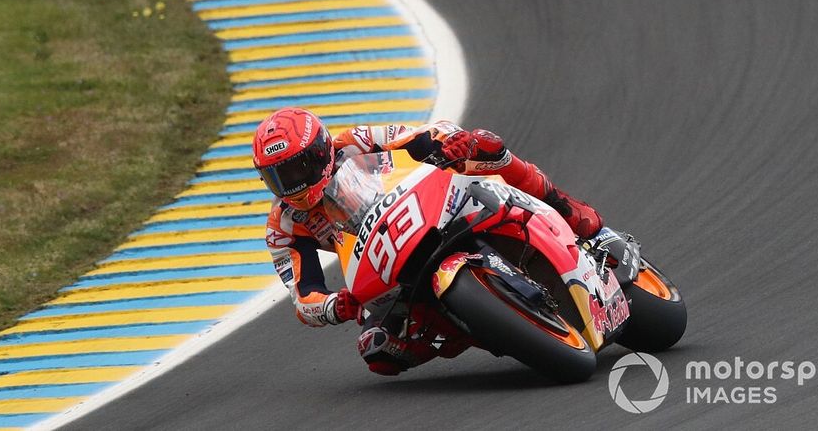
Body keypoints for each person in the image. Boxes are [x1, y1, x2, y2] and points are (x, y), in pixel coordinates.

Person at [254, 107, 604, 375]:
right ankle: (478, 326)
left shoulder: (356, 141)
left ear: (319, 152)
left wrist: (447, 143)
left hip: (425, 206)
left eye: (296, 169)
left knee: (483, 149)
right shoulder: (283, 224)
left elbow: (421, 134)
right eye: (278, 177)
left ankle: (562, 203)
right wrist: (333, 306)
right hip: (382, 261)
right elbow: (303, 297)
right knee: (378, 351)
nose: (291, 184)